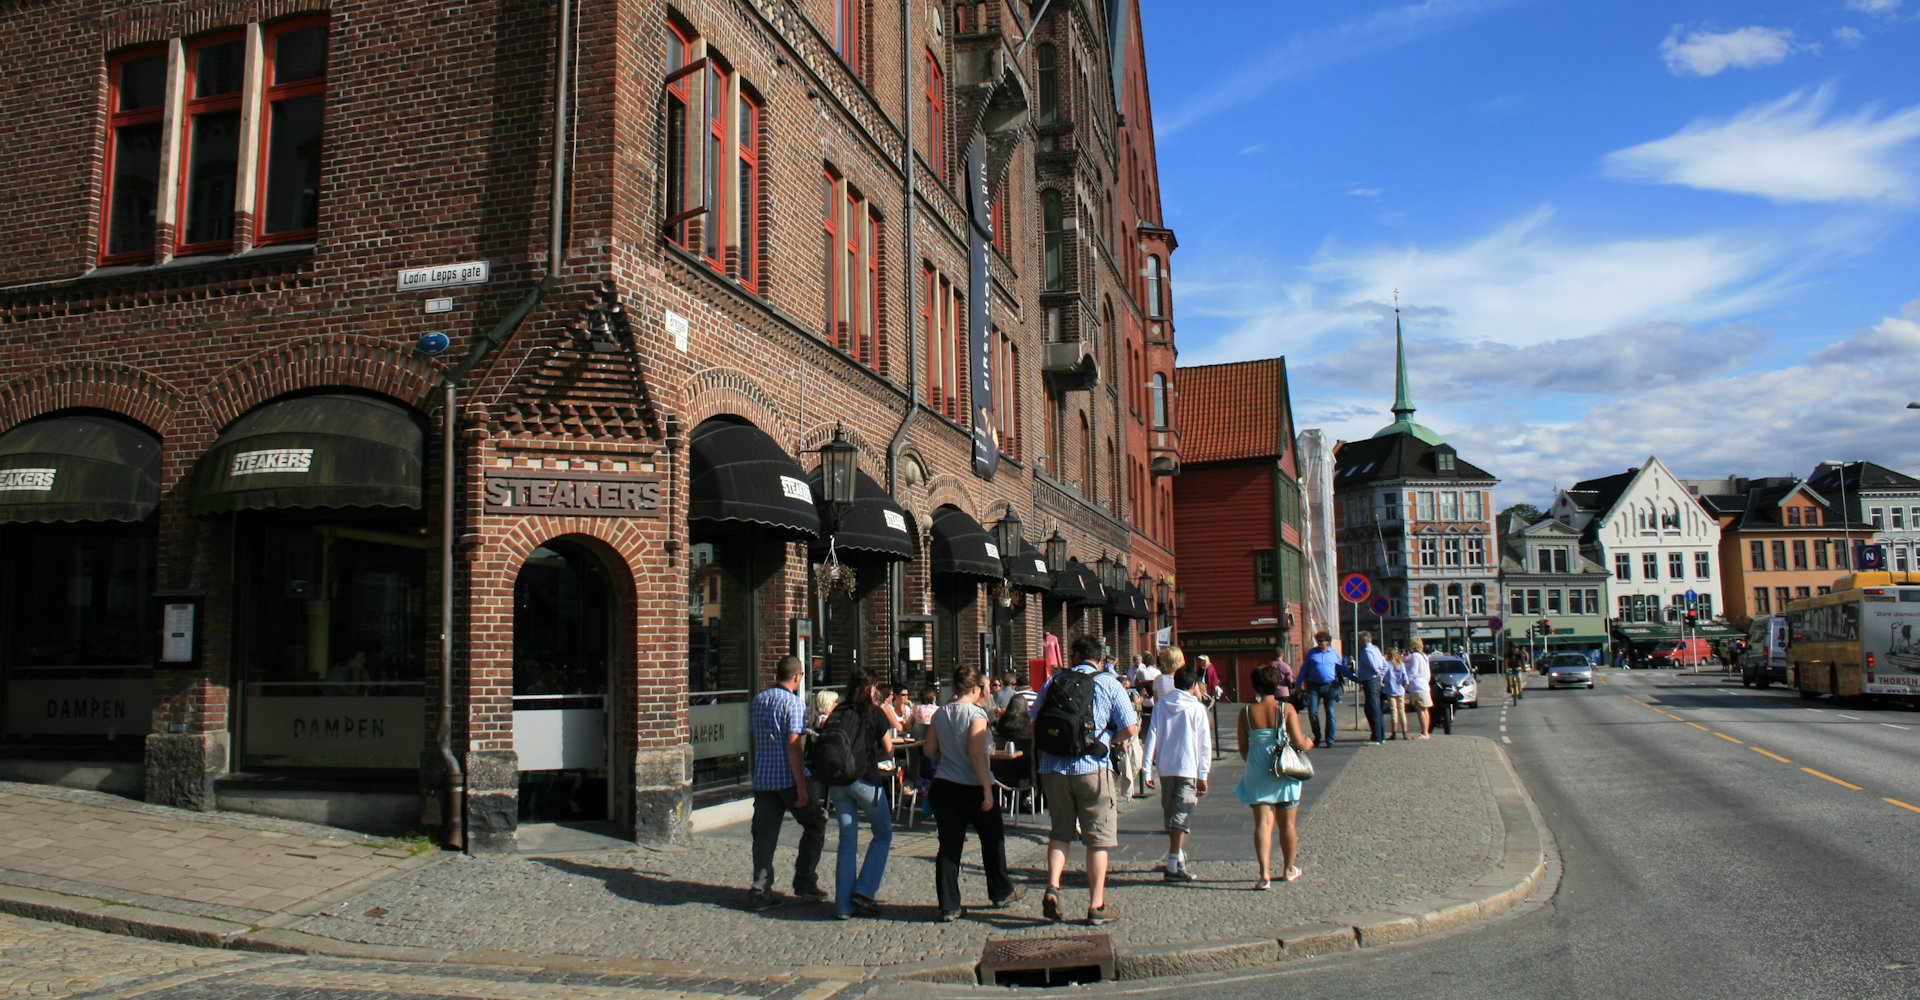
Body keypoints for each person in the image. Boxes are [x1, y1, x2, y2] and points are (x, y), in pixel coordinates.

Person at [1030, 633, 1139, 925]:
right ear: (1099, 659)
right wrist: (1108, 740)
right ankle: (1096, 905)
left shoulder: (1053, 682)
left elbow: (1035, 720)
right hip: (1093, 768)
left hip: (1054, 769)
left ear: (1075, 655)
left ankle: (1053, 887)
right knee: (1097, 840)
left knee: (1059, 833)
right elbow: (1130, 727)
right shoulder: (1109, 683)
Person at [924, 664, 1022, 921]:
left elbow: (929, 751)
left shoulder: (941, 712)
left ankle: (948, 905)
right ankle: (1000, 891)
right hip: (973, 786)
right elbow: (977, 752)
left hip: (945, 784)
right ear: (977, 687)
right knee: (992, 840)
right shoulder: (976, 715)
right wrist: (987, 789)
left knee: (949, 846)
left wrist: (949, 756)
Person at [747, 656, 826, 911]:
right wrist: (802, 788)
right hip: (787, 778)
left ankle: (760, 888)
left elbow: (756, 737)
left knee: (764, 835)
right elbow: (794, 747)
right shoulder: (794, 704)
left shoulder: (758, 700)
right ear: (797, 677)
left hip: (763, 777)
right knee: (815, 824)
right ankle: (804, 880)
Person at [823, 670, 894, 920]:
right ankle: (864, 891)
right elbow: (888, 749)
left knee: (847, 841)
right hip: (865, 780)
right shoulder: (875, 713)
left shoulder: (838, 712)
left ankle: (843, 906)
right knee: (883, 833)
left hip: (838, 781)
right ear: (872, 690)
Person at [1235, 663, 1313, 888]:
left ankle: (1263, 874)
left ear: (1256, 687)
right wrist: (1310, 742)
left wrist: (1255, 761)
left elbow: (1243, 748)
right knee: (1287, 825)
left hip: (1257, 771)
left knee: (1262, 824)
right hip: (1284, 771)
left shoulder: (1246, 712)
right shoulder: (1286, 709)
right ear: (1277, 684)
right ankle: (1289, 868)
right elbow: (1299, 741)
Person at [1141, 665, 1212, 882]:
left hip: (1166, 767)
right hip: (1188, 766)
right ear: (1193, 686)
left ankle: (1177, 858)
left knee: (1170, 812)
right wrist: (1203, 773)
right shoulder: (1197, 709)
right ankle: (1173, 863)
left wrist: (1146, 769)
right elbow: (1204, 744)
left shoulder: (1161, 705)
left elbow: (1151, 736)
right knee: (1182, 815)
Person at [1300, 632, 1344, 746]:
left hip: (1330, 686)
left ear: (1327, 642)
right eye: (1318, 641)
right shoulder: (1312, 653)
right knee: (1313, 712)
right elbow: (1304, 669)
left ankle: (1330, 739)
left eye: (1321, 641)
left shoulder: (1334, 653)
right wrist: (1299, 683)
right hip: (1314, 686)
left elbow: (1340, 668)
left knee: (1330, 712)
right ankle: (1317, 736)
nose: (1319, 643)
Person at [1353, 631, 1387, 744]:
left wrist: (1376, 674)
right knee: (1375, 708)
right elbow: (1385, 664)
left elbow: (1372, 665)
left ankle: (1377, 737)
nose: (1357, 641)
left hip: (1370, 681)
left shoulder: (1367, 651)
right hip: (1375, 681)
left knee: (1373, 709)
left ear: (1364, 640)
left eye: (1359, 639)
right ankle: (1381, 735)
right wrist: (1380, 677)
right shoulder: (1375, 649)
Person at [1404, 638, 1433, 739]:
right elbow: (1428, 672)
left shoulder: (1415, 656)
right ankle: (1426, 731)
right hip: (1424, 685)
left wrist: (1406, 681)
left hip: (1417, 685)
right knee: (1425, 710)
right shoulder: (1425, 656)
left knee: (1420, 709)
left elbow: (1413, 671)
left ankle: (1424, 732)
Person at [1381, 647, 1410, 740]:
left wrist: (1381, 683)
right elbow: (1404, 675)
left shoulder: (1387, 664)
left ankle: (1394, 732)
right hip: (1400, 689)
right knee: (1402, 710)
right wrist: (1405, 684)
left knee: (1393, 711)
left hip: (1390, 689)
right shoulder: (1400, 664)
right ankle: (1405, 733)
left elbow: (1382, 675)